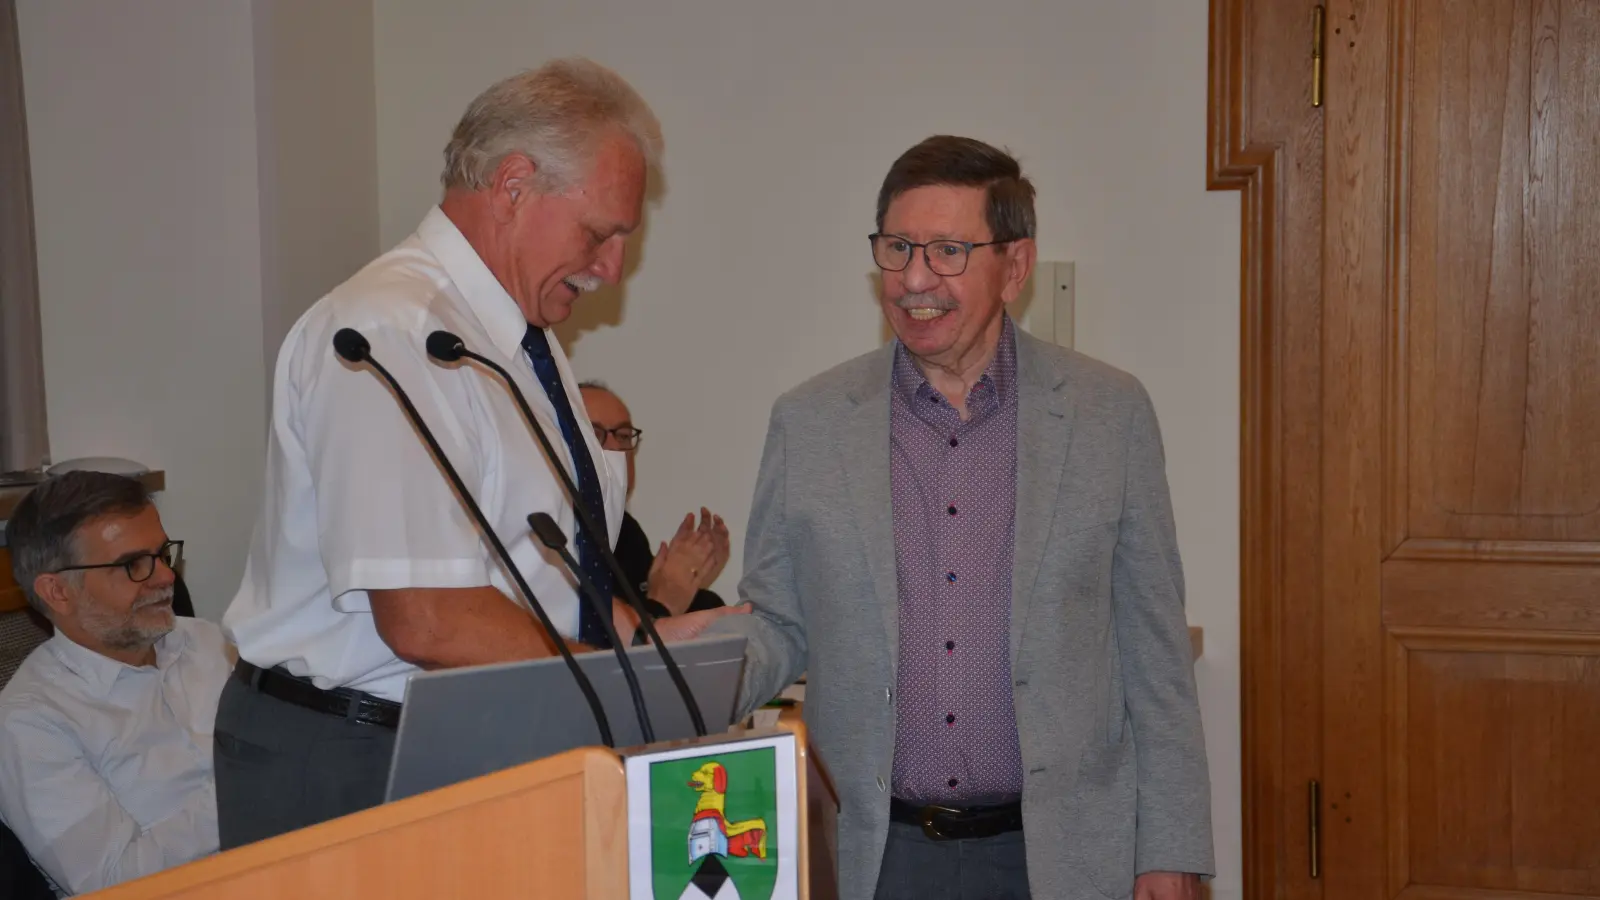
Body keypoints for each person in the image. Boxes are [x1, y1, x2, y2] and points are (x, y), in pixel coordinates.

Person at [216, 58, 744, 849]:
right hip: (350, 754)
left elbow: (543, 578)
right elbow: (427, 616)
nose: (611, 270)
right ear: (514, 185)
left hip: (458, 733)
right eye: (600, 233)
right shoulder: (390, 330)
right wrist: (616, 676)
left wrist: (662, 644)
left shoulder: (519, 341)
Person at [709, 136, 1214, 899]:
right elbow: (777, 622)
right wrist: (652, 684)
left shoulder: (1108, 414)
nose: (915, 279)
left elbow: (1154, 652)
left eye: (948, 251)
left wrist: (1170, 847)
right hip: (877, 857)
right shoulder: (809, 422)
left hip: (1061, 857)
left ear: (1014, 267)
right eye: (897, 247)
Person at [0, 472, 231, 895]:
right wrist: (249, 787)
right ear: (57, 592)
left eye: (162, 554)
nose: (166, 578)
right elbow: (113, 883)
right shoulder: (30, 723)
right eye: (133, 564)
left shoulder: (209, 642)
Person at [578, 380, 729, 618]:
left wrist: (690, 583)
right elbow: (603, 647)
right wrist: (668, 599)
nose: (616, 447)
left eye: (624, 435)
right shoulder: (552, 541)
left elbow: (653, 624)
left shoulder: (627, 533)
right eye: (595, 434)